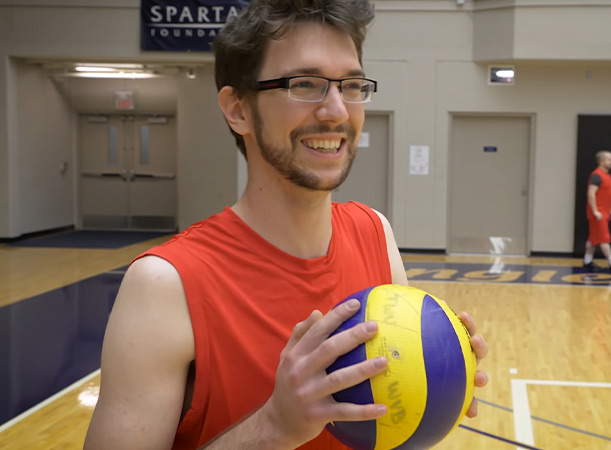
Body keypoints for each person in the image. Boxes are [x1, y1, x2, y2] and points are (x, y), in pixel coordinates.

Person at [83, 1, 489, 449]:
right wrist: (274, 425)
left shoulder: (375, 232)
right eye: (306, 84)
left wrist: (436, 383)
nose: (336, 110)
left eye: (351, 85)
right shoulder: (166, 284)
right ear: (238, 109)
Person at [583, 150, 611, 273]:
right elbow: (591, 194)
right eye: (609, 159)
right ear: (602, 161)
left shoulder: (607, 176)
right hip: (598, 214)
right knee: (604, 239)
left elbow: (606, 195)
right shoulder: (597, 176)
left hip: (604, 212)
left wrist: (610, 209)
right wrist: (595, 211)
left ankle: (587, 261)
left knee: (593, 239)